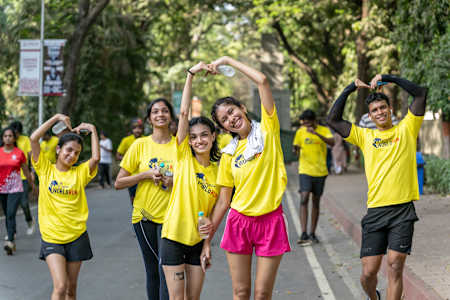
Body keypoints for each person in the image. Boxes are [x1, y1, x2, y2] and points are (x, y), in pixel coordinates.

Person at [327, 74, 427, 300]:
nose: (380, 112)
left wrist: (390, 78)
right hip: (375, 212)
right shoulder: (365, 136)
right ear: (370, 115)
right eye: (375, 110)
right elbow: (333, 120)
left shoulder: (407, 129)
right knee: (368, 274)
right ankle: (375, 297)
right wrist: (350, 89)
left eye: (383, 107)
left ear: (390, 109)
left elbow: (420, 93)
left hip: (402, 211)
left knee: (394, 265)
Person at [204, 56, 290, 300]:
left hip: (270, 221)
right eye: (224, 120)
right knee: (241, 293)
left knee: (262, 294)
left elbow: (262, 81)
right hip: (239, 222)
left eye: (231, 111)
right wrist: (207, 241)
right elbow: (223, 201)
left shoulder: (267, 130)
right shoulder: (229, 154)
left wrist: (226, 60)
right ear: (224, 127)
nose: (231, 118)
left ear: (242, 108)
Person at [160, 62, 220, 300]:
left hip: (198, 242)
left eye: (204, 135)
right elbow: (184, 113)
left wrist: (207, 243)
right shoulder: (183, 155)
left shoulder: (220, 170)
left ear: (213, 137)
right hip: (173, 238)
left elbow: (216, 211)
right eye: (194, 137)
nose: (199, 140)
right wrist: (190, 75)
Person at [30, 114, 99, 300]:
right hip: (52, 237)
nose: (72, 155)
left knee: (71, 289)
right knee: (60, 287)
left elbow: (95, 158)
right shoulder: (45, 169)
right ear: (59, 149)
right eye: (68, 150)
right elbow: (33, 139)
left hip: (77, 235)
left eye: (76, 153)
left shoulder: (81, 172)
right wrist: (57, 117)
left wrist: (92, 130)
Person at [115, 99, 177, 300]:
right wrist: (145, 175)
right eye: (156, 111)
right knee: (154, 269)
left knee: (166, 268)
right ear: (149, 118)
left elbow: (190, 179)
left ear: (171, 116)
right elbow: (119, 182)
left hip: (173, 217)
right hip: (145, 217)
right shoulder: (139, 145)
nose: (160, 114)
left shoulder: (181, 145)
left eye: (165, 111)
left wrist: (172, 180)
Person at [292, 109, 334, 245]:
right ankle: (303, 233)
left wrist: (316, 133)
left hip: (320, 171)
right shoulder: (300, 131)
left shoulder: (323, 130)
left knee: (315, 202)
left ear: (314, 121)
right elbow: (296, 146)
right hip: (305, 170)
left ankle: (312, 233)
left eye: (308, 123)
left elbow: (332, 142)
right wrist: (295, 150)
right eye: (304, 124)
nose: (306, 126)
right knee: (304, 198)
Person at [0, 127, 35, 255]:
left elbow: (25, 171)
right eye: (5, 136)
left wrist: (33, 186)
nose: (8, 138)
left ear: (14, 138)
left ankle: (10, 240)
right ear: (2, 138)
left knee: (10, 213)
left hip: (15, 187)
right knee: (7, 214)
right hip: (2, 188)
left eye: (10, 136)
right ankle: (12, 235)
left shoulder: (19, 153)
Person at [9, 121, 35, 236]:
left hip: (24, 176)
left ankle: (30, 221)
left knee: (24, 203)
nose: (15, 135)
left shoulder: (25, 140)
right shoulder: (9, 141)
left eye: (16, 133)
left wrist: (33, 171)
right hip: (10, 178)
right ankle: (12, 232)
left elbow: (32, 156)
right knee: (11, 207)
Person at [116, 118, 144, 204]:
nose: (137, 130)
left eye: (139, 128)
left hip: (145, 175)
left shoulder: (147, 140)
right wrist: (130, 160)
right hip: (131, 176)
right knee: (134, 200)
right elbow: (118, 156)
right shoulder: (126, 140)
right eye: (135, 128)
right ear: (132, 129)